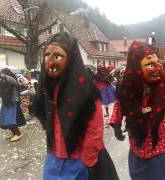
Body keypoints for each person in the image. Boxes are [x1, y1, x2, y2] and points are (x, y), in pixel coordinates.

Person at [34, 32, 118, 180]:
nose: (50, 61)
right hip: (54, 156)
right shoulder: (47, 85)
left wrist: (89, 159)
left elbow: (95, 128)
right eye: (47, 55)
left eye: (57, 56)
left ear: (70, 58)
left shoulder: (84, 88)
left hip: (79, 158)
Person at [110, 41, 165, 180]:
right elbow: (120, 104)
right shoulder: (127, 86)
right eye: (151, 64)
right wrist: (116, 123)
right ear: (136, 68)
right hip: (138, 144)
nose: (158, 67)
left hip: (164, 143)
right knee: (139, 176)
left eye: (158, 62)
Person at [0, 68, 25, 142]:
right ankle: (14, 133)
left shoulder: (13, 80)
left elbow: (10, 80)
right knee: (5, 120)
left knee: (10, 119)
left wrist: (4, 76)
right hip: (6, 102)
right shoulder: (3, 82)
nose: (0, 77)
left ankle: (18, 133)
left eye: (2, 74)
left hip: (12, 102)